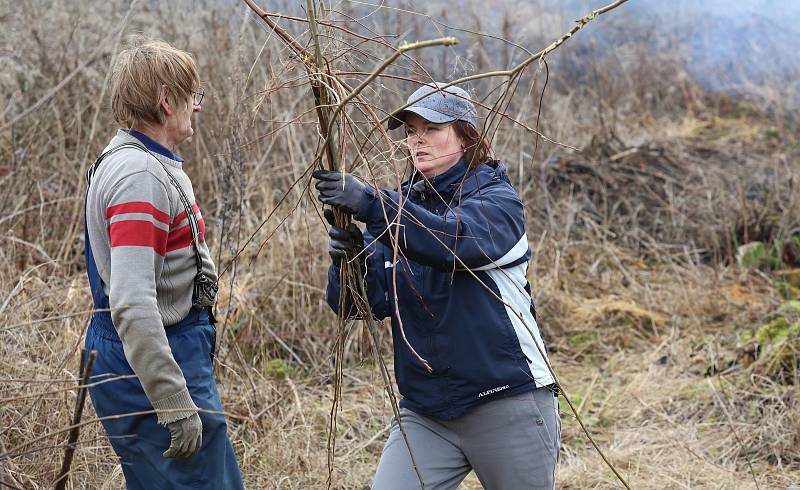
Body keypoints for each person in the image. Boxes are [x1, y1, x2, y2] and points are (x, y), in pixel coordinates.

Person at [313, 82, 561, 489]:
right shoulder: (400, 212)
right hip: (427, 412)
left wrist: (375, 206)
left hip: (506, 400)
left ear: (466, 135)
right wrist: (349, 259)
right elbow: (359, 304)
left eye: (432, 128)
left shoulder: (498, 201)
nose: (418, 140)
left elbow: (454, 242)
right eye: (411, 131)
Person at [83, 40, 243, 489]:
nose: (198, 107)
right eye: (193, 96)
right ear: (166, 100)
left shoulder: (141, 161)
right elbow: (132, 303)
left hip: (151, 356)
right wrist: (173, 400)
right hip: (150, 364)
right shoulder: (140, 178)